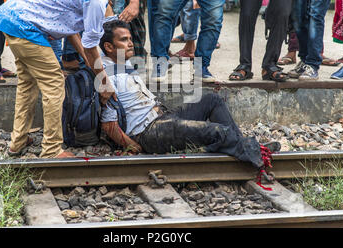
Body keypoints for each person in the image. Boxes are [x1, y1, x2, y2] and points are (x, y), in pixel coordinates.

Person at [0, 0, 138, 159]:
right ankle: (51, 150)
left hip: (13, 16)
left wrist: (90, 63)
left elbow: (73, 31)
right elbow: (90, 45)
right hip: (26, 26)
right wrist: (103, 80)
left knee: (28, 84)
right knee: (54, 84)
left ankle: (18, 141)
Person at [99, 19, 281, 175]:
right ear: (108, 47)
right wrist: (133, 146)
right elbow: (108, 124)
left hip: (163, 117)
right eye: (124, 40)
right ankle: (253, 151)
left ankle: (241, 146)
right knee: (216, 130)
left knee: (212, 100)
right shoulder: (107, 78)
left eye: (130, 38)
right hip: (149, 132)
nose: (131, 43)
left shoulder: (124, 63)